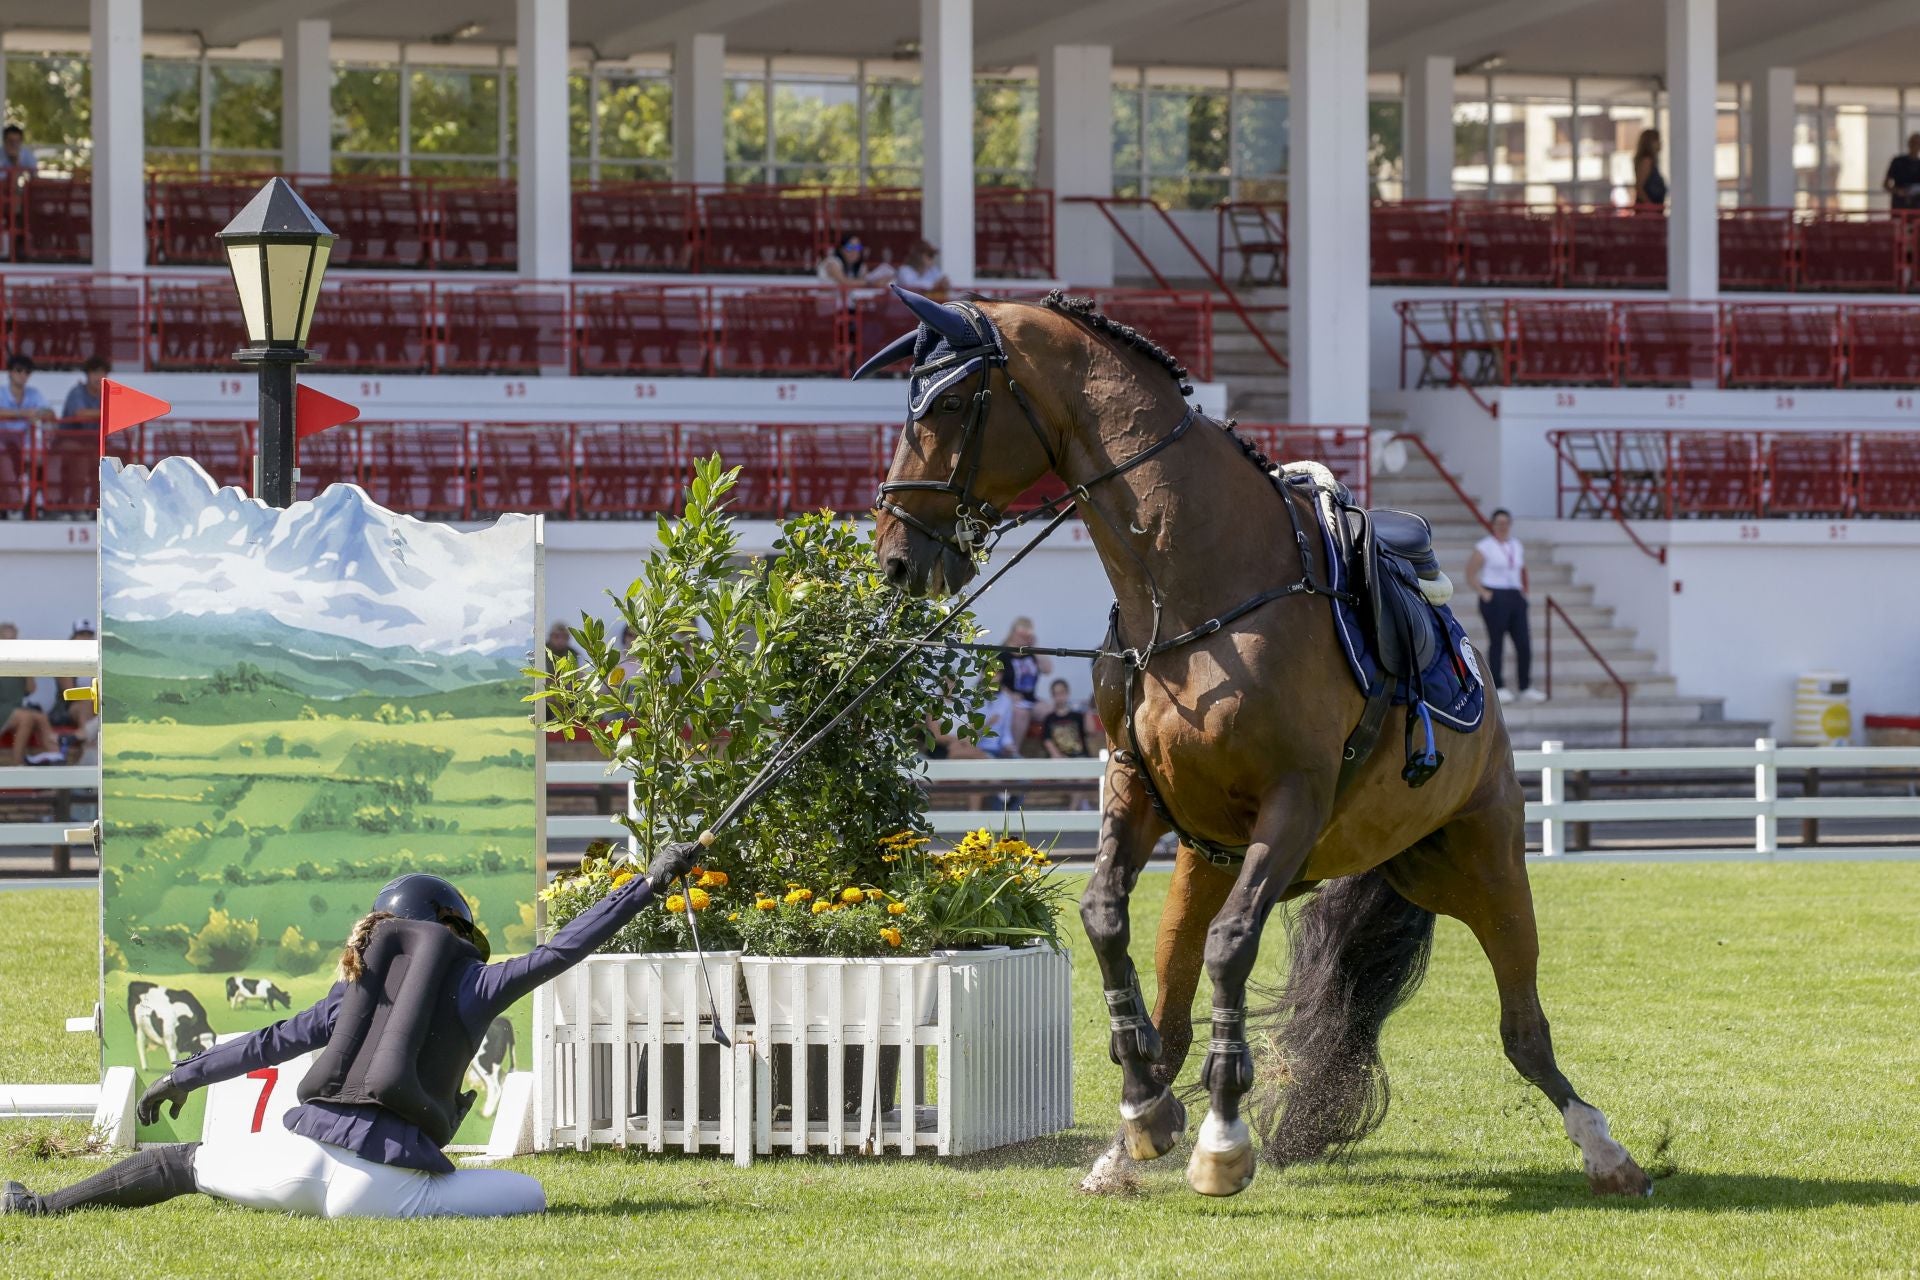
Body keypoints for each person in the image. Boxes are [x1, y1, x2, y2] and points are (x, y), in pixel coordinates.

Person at [2, 849, 701, 1220]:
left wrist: (181, 1075)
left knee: (183, 1163)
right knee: (534, 1195)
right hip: (383, 1192)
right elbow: (563, 951)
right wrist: (645, 884)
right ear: (454, 930)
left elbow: (265, 1043)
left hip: (292, 1165)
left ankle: (40, 1206)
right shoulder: (476, 984)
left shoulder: (350, 994)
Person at [1466, 508, 1544, 705]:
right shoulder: (1485, 546)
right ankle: (1498, 686)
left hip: (1514, 595)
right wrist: (1484, 592)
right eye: (1499, 523)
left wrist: (1524, 592)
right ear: (1493, 526)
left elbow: (1521, 569)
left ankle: (1525, 686)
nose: (1503, 527)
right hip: (1495, 594)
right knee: (1497, 643)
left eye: (1506, 523)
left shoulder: (1516, 545)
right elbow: (1470, 572)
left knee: (1524, 644)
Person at [0, 621, 63, 765]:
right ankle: (18, 763)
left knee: (41, 717)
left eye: (13, 640)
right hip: (4, 708)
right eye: (6, 640)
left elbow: (31, 690)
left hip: (14, 709)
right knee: (26, 717)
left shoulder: (18, 660)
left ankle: (56, 758)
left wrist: (27, 668)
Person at [996, 617, 1052, 745]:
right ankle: (1014, 751)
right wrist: (1010, 695)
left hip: (1029, 699)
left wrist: (1035, 648)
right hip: (1009, 699)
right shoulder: (1002, 655)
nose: (1024, 638)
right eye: (1022, 635)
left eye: (1028, 635)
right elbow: (991, 681)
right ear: (1013, 633)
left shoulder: (1030, 653)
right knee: (1021, 713)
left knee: (1050, 711)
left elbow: (1047, 669)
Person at [1039, 679, 1094, 759]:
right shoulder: (1049, 718)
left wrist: (1088, 711)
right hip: (1060, 760)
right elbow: (1047, 741)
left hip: (1080, 757)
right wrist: (1058, 756)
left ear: (1067, 693)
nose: (1059, 697)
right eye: (1056, 694)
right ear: (1052, 696)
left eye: (1062, 693)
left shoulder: (1077, 716)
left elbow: (1091, 732)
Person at [816, 232, 894, 286]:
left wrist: (883, 279)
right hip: (830, 308)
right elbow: (844, 282)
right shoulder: (832, 262)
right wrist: (871, 283)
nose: (854, 251)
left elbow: (865, 278)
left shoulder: (859, 266)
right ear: (841, 249)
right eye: (850, 247)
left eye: (857, 247)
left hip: (849, 307)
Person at [0, 354, 55, 426]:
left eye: (27, 372)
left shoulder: (34, 393)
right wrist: (22, 413)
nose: (23, 375)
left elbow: (50, 413)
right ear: (10, 372)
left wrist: (38, 414)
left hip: (27, 437)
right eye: (19, 370)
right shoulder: (1, 392)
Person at [61, 355, 109, 426]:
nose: (99, 377)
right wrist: (108, 413)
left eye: (102, 373)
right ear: (87, 375)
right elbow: (80, 414)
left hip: (94, 436)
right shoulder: (77, 392)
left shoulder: (108, 394)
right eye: (95, 373)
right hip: (71, 436)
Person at [1884, 133, 1920, 212]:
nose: (1915, 146)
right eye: (1913, 143)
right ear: (1909, 144)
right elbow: (1886, 184)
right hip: (1899, 205)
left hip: (1916, 208)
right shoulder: (1898, 162)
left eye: (1917, 144)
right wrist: (1898, 191)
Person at [1631, 129, 1666, 208]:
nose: (1660, 143)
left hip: (1653, 210)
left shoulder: (1651, 162)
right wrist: (1651, 206)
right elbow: (1639, 188)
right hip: (1648, 212)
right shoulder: (1646, 162)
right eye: (1657, 140)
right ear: (1651, 143)